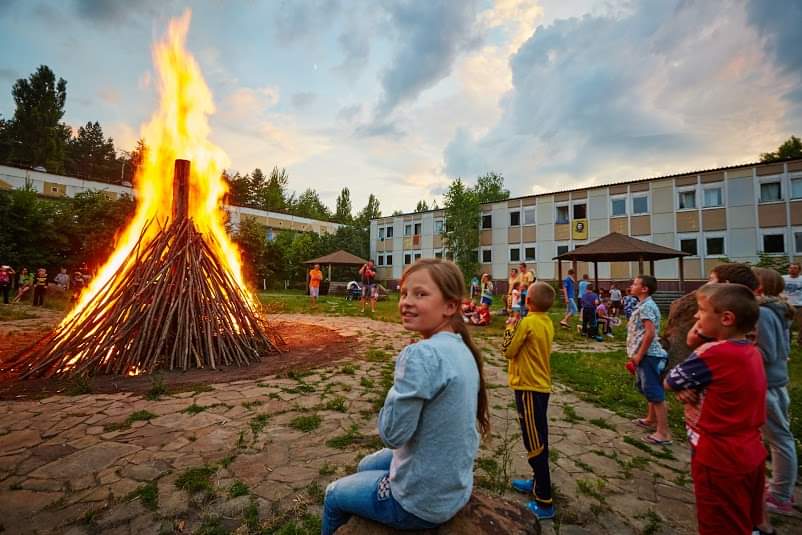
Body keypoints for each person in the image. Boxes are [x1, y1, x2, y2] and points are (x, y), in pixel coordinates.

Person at [322, 259, 489, 534]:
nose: (406, 302)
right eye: (404, 293)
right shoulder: (461, 348)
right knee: (366, 464)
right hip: (454, 487)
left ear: (450, 306)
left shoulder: (421, 355)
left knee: (333, 495)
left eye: (421, 294)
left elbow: (392, 435)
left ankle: (387, 499)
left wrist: (402, 376)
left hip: (421, 504)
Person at [664, 283, 766, 535]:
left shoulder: (713, 352)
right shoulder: (750, 351)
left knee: (719, 523)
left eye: (701, 311)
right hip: (750, 447)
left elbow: (671, 379)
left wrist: (693, 338)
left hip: (718, 455)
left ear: (726, 318)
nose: (696, 317)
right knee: (743, 517)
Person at [503, 281, 557, 520]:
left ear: (528, 302)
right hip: (540, 387)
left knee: (534, 441)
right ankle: (537, 482)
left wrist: (509, 329)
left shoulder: (527, 323)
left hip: (528, 388)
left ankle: (544, 500)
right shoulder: (546, 321)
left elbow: (508, 350)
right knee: (539, 436)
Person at [752, 268, 798, 520]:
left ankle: (781, 495)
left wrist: (737, 347)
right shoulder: (777, 310)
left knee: (780, 438)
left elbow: (766, 352)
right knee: (779, 437)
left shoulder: (763, 312)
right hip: (774, 380)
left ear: (759, 287)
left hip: (768, 382)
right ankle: (781, 487)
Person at [661, 263, 759, 368]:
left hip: (694, 366)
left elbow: (692, 340)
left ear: (724, 284)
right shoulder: (748, 310)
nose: (706, 284)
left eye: (711, 279)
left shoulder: (709, 309)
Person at [626, 274, 671, 445]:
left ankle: (663, 432)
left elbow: (650, 332)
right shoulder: (644, 305)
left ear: (644, 289)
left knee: (655, 392)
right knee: (649, 389)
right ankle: (650, 419)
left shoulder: (646, 307)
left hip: (649, 355)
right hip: (647, 355)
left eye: (635, 284)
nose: (632, 286)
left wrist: (639, 354)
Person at [782, 261, 802, 344]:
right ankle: (788, 341)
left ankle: (800, 341)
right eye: (790, 268)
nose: (792, 270)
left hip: (800, 305)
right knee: (787, 325)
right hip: (786, 305)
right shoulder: (783, 278)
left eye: (795, 268)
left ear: (799, 270)